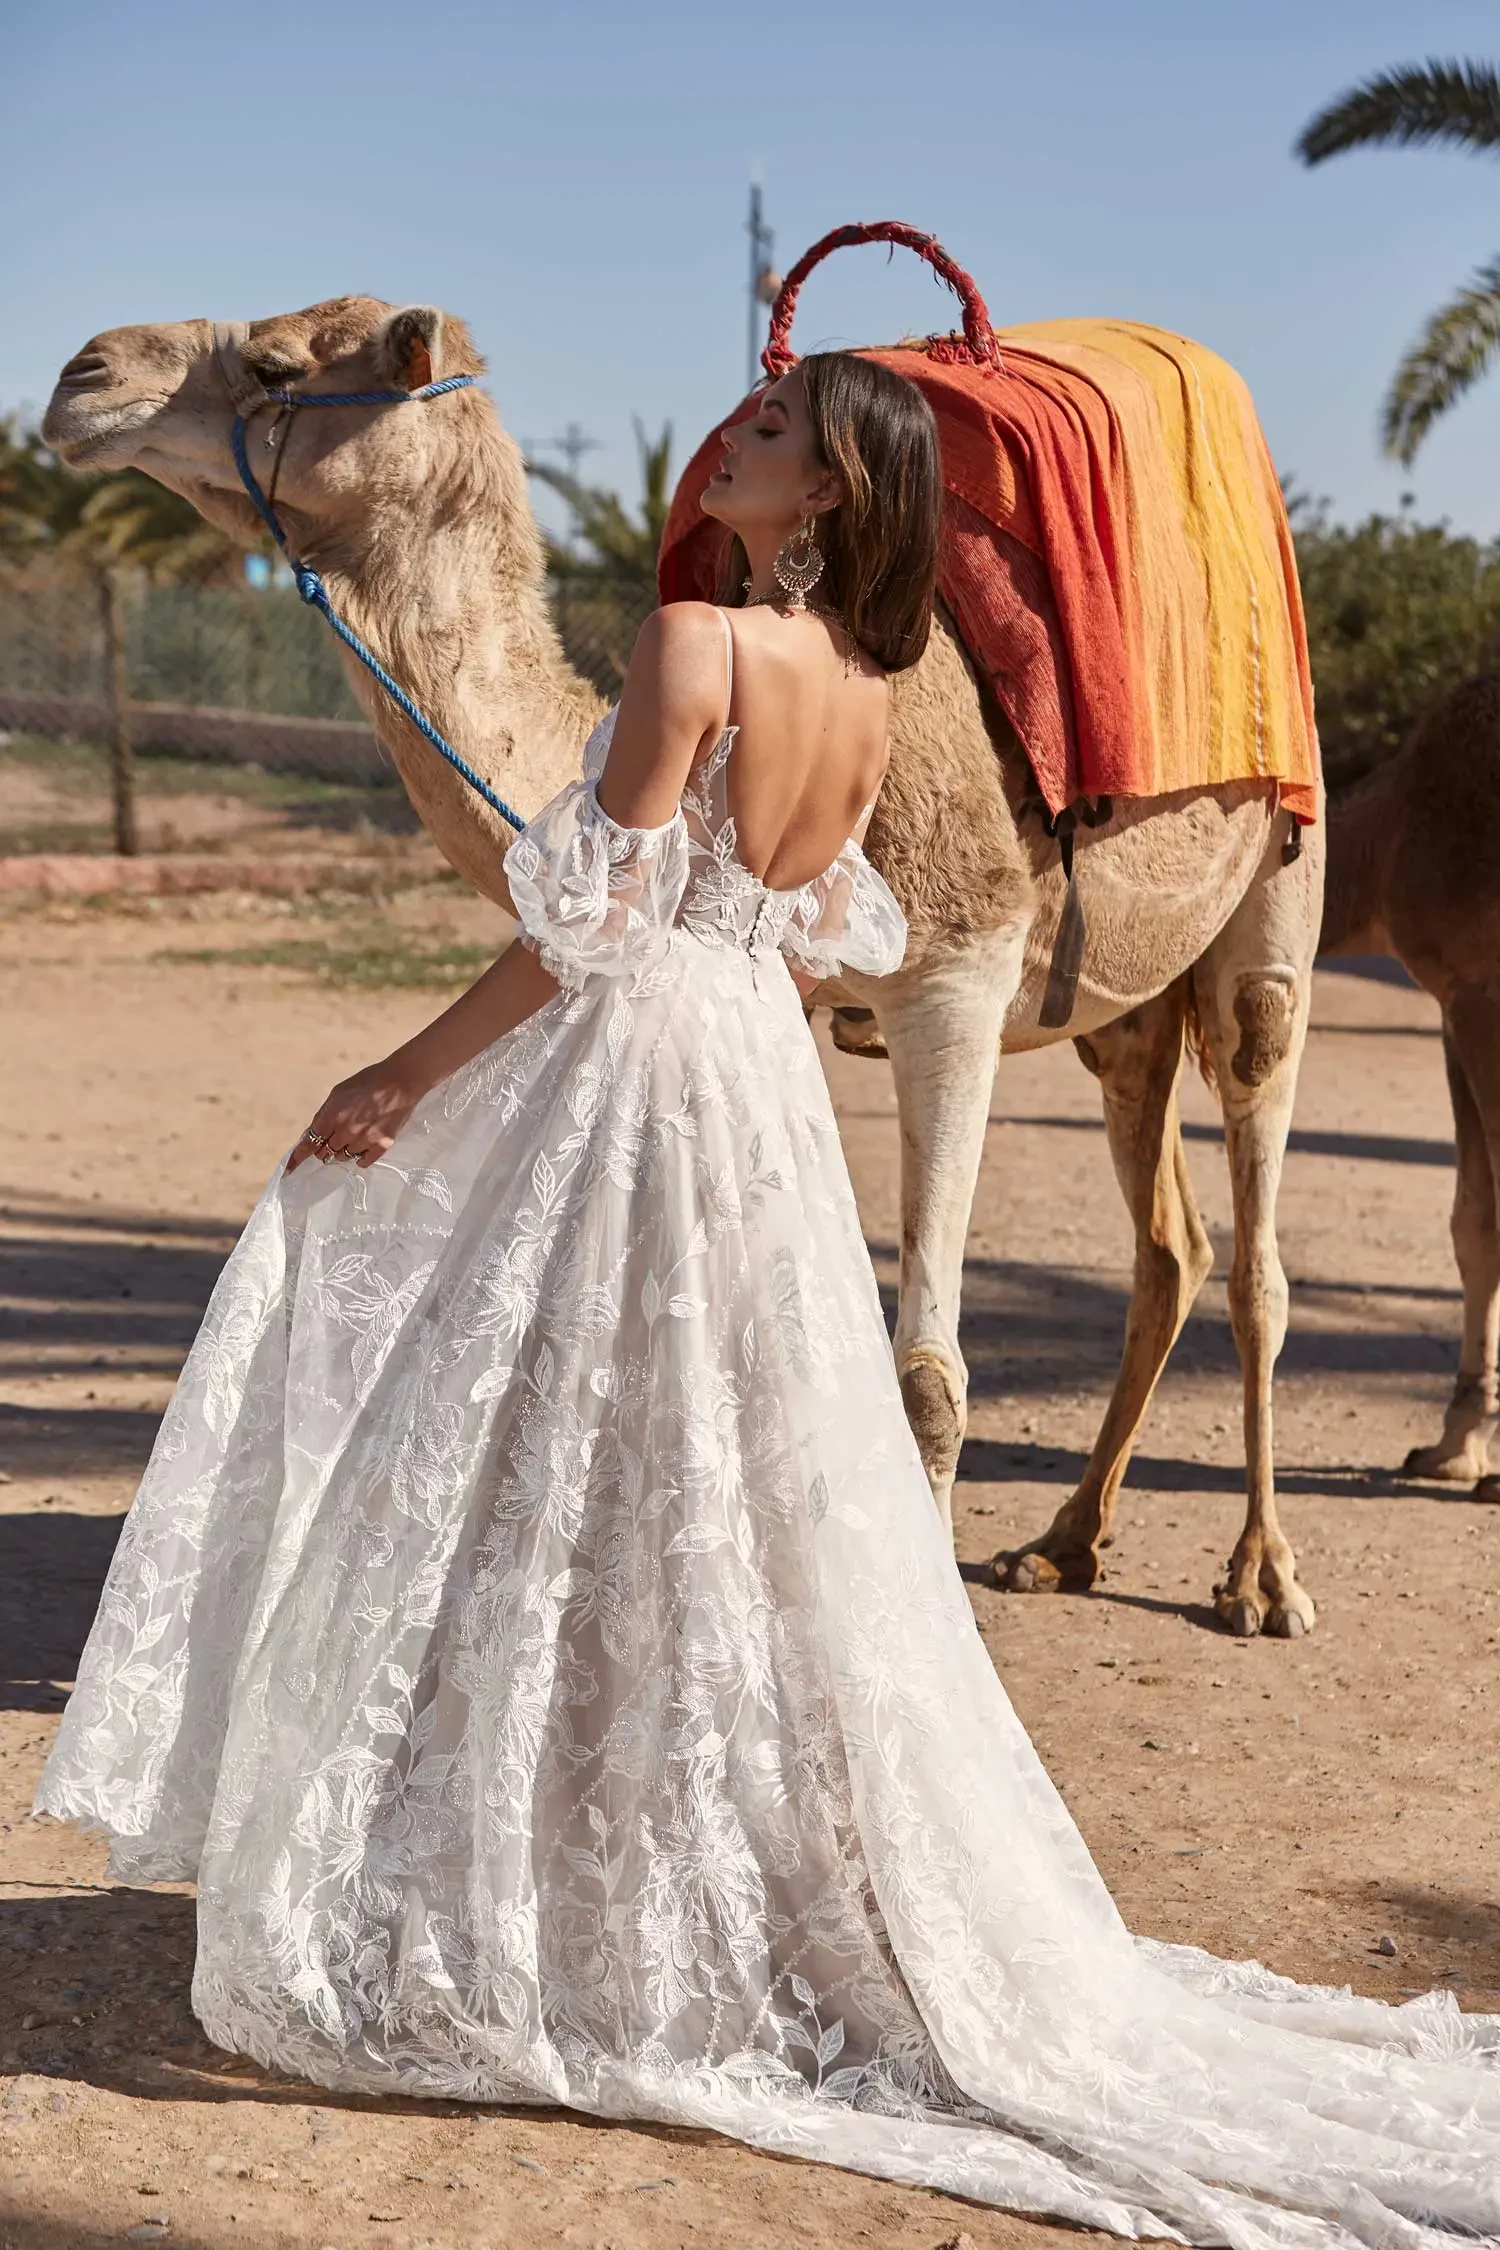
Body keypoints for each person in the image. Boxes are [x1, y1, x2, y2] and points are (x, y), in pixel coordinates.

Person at [33, 353, 1500, 2248]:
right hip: (750, 1085)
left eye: (781, 433)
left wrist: (402, 1072)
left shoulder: (691, 646)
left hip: (654, 1061)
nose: (739, 433)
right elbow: (810, 944)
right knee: (715, 1480)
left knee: (558, 1457)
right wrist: (724, 1038)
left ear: (828, 498)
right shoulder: (872, 689)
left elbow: (582, 928)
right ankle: (643, 1876)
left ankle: (561, 1892)